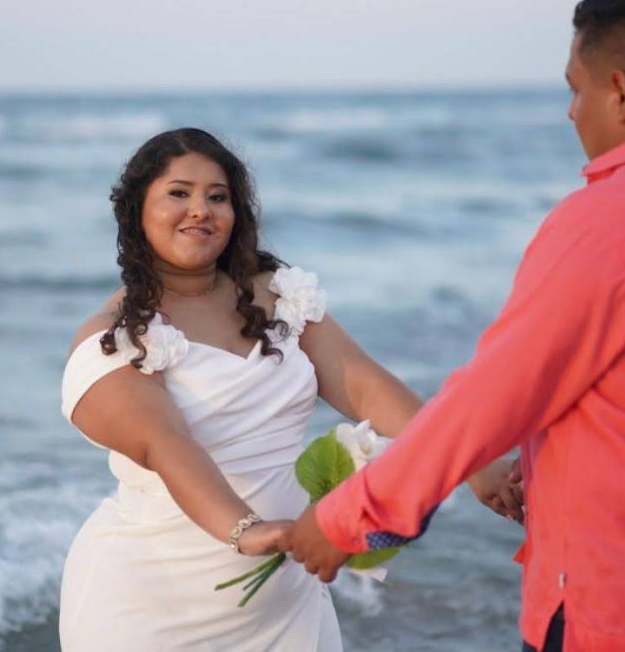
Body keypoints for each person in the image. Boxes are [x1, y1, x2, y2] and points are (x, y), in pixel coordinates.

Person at [279, 0, 625, 651]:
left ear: (621, 92)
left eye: (576, 89)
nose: (572, 111)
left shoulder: (608, 225)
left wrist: (347, 519)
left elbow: (489, 400)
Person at [58, 127, 523, 651]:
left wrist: (470, 464)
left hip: (285, 607)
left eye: (218, 197)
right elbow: (166, 444)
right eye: (179, 193)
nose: (201, 210)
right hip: (151, 610)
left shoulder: (278, 296)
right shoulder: (116, 338)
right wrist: (249, 531)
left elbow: (363, 386)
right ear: (137, 211)